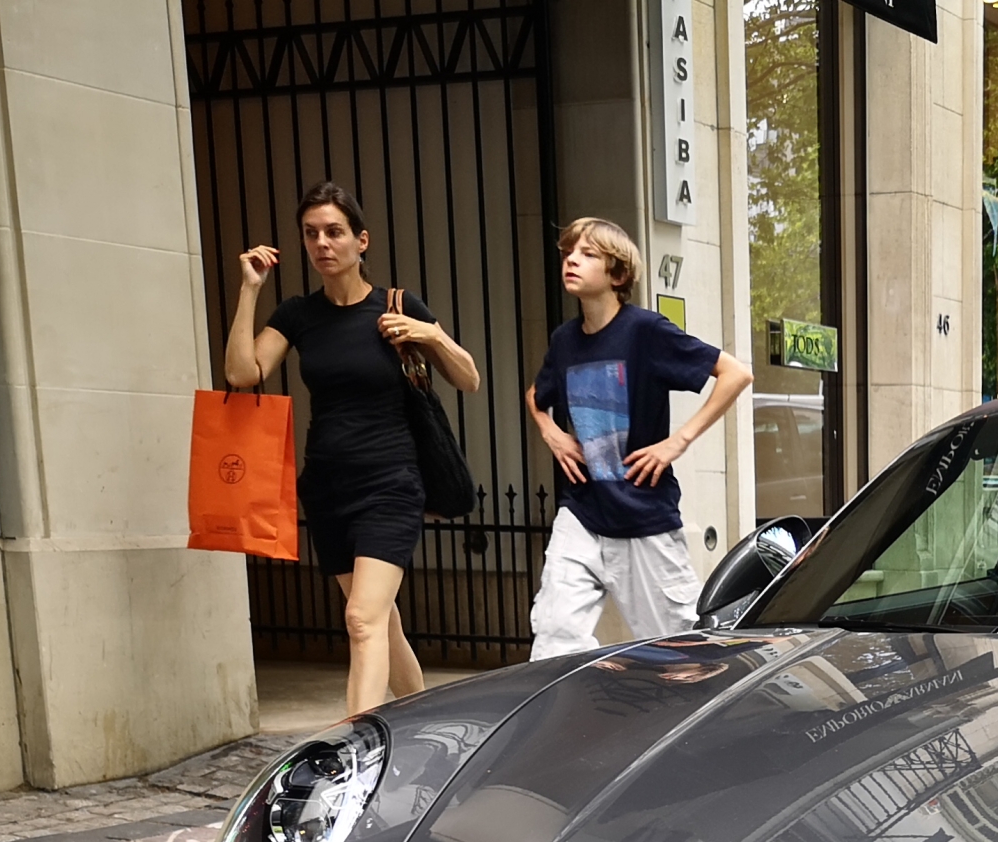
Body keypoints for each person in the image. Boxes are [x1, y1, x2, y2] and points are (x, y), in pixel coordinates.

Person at [224, 182, 481, 715]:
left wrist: (429, 335)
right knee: (381, 621)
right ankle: (430, 726)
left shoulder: (397, 305)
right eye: (312, 234)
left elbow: (468, 378)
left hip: (390, 482)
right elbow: (241, 372)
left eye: (335, 232)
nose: (323, 243)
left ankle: (353, 747)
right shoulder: (298, 314)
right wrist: (250, 289)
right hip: (326, 486)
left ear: (360, 241)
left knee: (362, 620)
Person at [525, 218, 752, 656]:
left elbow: (736, 373)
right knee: (554, 634)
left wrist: (678, 441)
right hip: (583, 511)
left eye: (588, 254)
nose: (572, 259)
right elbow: (537, 393)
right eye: (569, 252)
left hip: (643, 512)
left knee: (680, 650)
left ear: (618, 274)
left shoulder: (645, 331)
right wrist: (551, 432)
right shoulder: (565, 339)